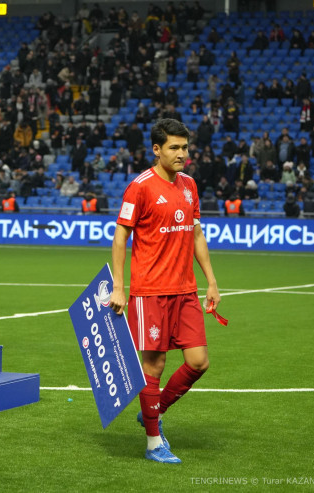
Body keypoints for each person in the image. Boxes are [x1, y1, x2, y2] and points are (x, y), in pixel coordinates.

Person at [110, 119, 220, 464]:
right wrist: (118, 287)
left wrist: (211, 281)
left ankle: (153, 411)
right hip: (150, 293)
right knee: (154, 366)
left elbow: (196, 234)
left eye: (185, 147)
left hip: (185, 290)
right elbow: (120, 236)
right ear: (156, 150)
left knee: (198, 362)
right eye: (174, 147)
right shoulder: (139, 187)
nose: (181, 154)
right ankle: (153, 443)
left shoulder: (190, 185)